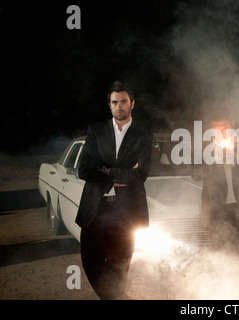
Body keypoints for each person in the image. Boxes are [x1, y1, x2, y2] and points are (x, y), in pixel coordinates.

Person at [75, 80, 152, 299]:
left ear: (132, 103)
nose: (119, 106)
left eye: (124, 102)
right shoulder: (96, 131)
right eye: (115, 102)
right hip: (95, 209)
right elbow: (84, 170)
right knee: (91, 263)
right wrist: (119, 175)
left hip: (125, 212)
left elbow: (141, 174)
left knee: (120, 268)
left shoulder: (143, 134)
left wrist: (105, 170)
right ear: (109, 105)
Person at [192, 114, 239, 265]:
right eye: (216, 130)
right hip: (218, 212)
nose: (221, 133)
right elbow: (196, 175)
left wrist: (236, 158)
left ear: (232, 125)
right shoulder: (203, 149)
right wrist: (214, 159)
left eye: (224, 128)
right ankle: (231, 286)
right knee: (227, 258)